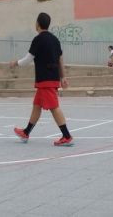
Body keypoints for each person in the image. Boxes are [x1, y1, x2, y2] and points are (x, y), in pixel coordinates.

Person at [10, 12, 73, 147]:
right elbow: (60, 58)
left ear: (37, 24)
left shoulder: (38, 39)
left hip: (45, 80)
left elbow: (28, 59)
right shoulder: (55, 40)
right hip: (52, 78)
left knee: (54, 108)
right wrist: (63, 77)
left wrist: (16, 63)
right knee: (37, 106)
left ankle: (66, 136)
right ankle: (26, 132)